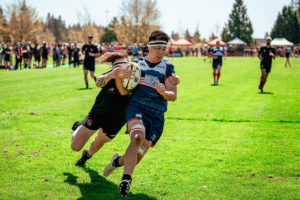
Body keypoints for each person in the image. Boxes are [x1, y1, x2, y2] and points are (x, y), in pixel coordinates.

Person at [106, 30, 178, 197]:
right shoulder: (136, 65)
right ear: (149, 47)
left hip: (157, 116)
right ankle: (126, 180)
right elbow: (124, 92)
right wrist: (118, 77)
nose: (161, 52)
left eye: (164, 49)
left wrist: (164, 93)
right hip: (137, 108)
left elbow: (173, 96)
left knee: (136, 157)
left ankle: (117, 161)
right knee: (137, 137)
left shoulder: (167, 66)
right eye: (158, 48)